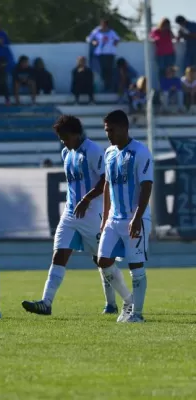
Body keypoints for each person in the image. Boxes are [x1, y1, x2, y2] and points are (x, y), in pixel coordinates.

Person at [21, 115, 131, 316]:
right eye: (60, 138)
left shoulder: (93, 151)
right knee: (59, 255)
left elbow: (105, 180)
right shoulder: (66, 153)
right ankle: (46, 302)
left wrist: (87, 199)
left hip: (92, 214)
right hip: (71, 214)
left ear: (76, 134)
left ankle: (127, 301)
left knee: (103, 260)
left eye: (65, 137)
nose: (63, 141)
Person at [97, 109, 153, 323]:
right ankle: (129, 301)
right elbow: (107, 186)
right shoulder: (109, 153)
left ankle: (137, 315)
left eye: (111, 130)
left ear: (123, 128)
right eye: (106, 130)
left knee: (136, 266)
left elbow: (147, 185)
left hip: (134, 218)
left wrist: (137, 217)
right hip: (113, 219)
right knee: (103, 261)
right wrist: (104, 219)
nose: (108, 134)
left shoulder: (140, 151)